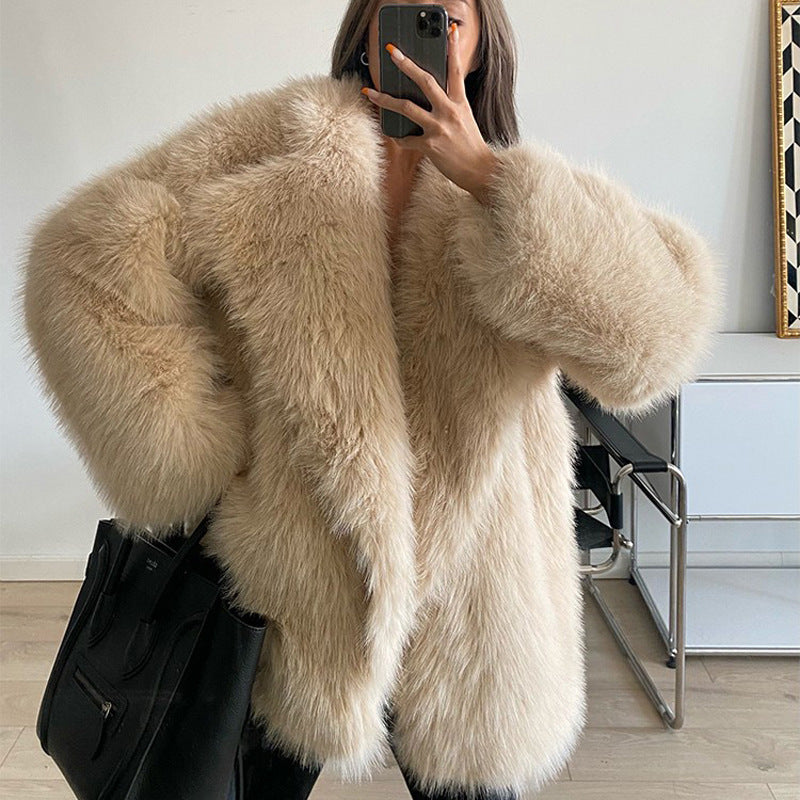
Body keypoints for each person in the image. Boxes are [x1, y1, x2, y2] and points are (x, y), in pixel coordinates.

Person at [19, 0, 724, 798]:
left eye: (447, 16)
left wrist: (490, 178)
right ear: (368, 27)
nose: (427, 33)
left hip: (475, 600)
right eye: (404, 9)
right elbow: (82, 263)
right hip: (294, 583)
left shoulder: (517, 196)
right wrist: (198, 457)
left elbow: (656, 342)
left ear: (482, 41)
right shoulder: (272, 145)